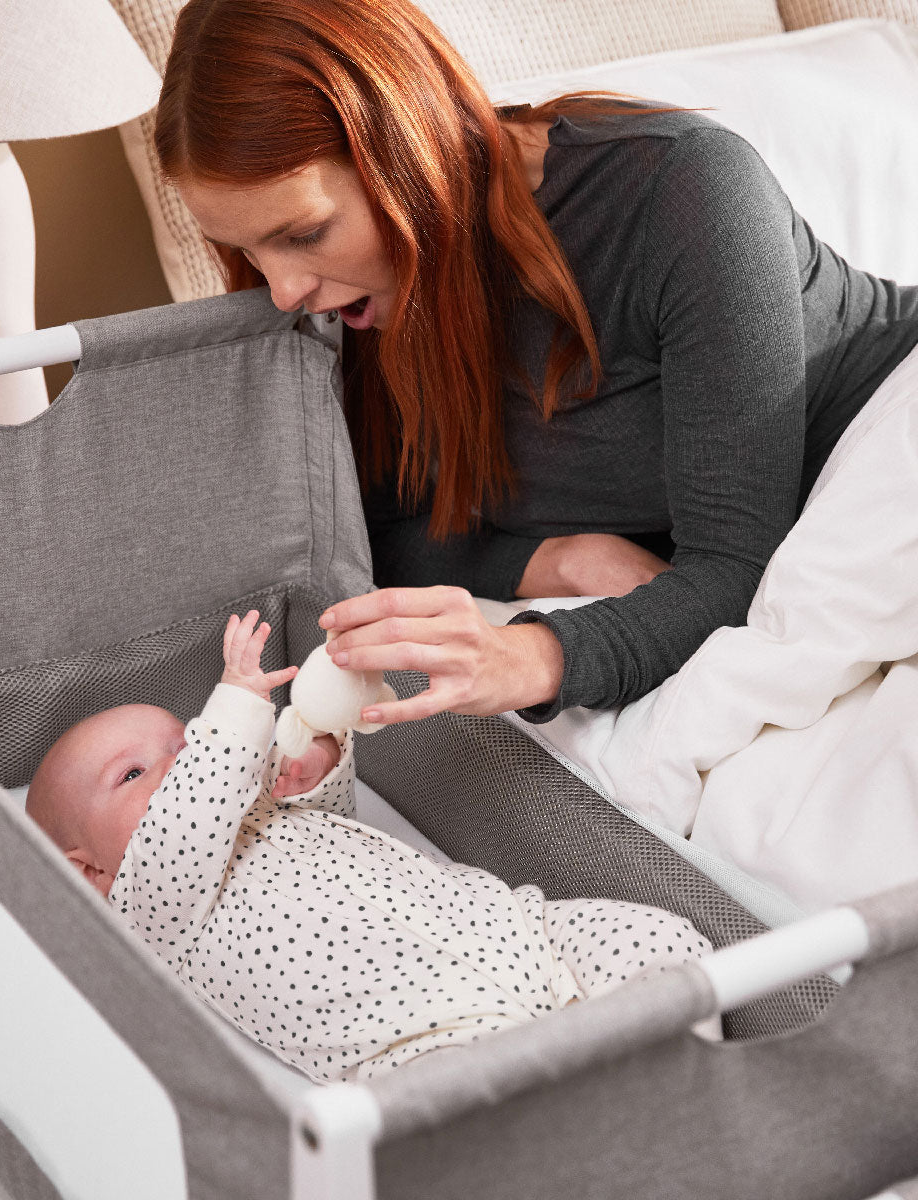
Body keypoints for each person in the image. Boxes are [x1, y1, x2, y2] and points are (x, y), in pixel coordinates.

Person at [152, 0, 918, 728]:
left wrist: (532, 656)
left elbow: (734, 570)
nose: (284, 290)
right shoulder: (354, 303)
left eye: (306, 232)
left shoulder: (681, 190)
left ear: (403, 151)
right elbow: (368, 530)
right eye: (243, 247)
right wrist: (561, 562)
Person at [26, 611, 714, 1082]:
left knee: (666, 943)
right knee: (498, 1104)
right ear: (89, 874)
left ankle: (681, 1077)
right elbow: (189, 817)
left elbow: (331, 820)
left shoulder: (253, 806)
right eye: (137, 773)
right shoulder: (150, 904)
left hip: (512, 929)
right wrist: (232, 705)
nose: (184, 760)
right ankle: (621, 1125)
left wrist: (319, 766)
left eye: (183, 740)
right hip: (419, 1029)